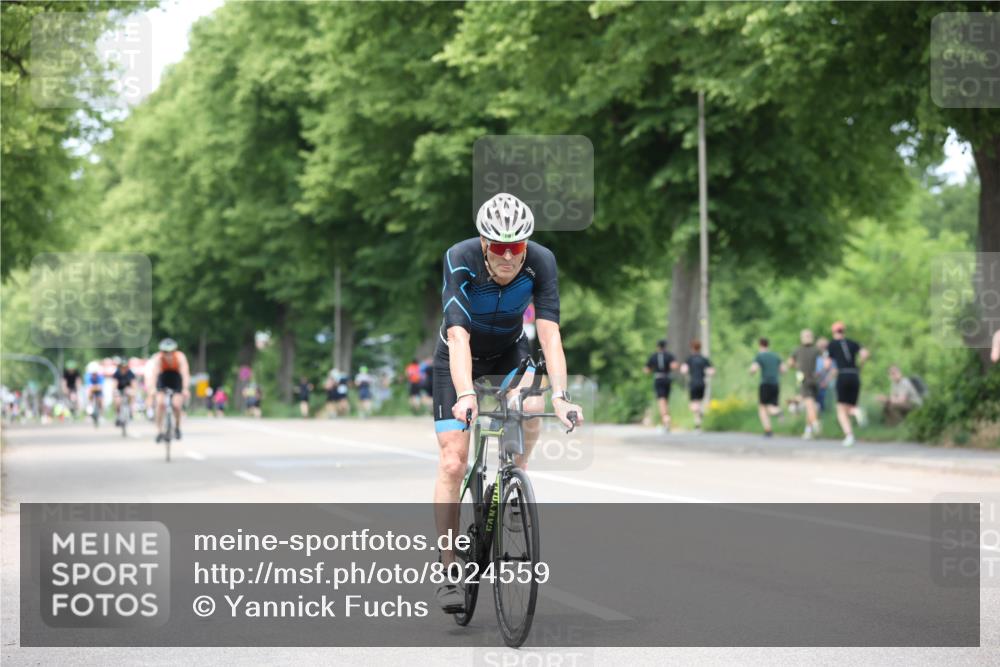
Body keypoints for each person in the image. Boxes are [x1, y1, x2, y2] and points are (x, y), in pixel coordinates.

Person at [432, 192, 584, 614]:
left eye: (516, 247)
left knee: (531, 405)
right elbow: (458, 336)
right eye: (499, 247)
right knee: (452, 462)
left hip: (508, 352)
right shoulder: (459, 257)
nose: (508, 257)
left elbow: (549, 334)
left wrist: (561, 396)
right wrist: (466, 394)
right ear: (484, 243)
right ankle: (448, 566)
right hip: (457, 356)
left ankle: (517, 473)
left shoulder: (542, 261)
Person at [826, 321, 870, 447]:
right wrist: (860, 366)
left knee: (841, 409)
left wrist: (827, 374)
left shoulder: (832, 344)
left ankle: (849, 435)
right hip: (854, 375)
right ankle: (857, 411)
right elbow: (865, 354)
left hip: (843, 375)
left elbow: (827, 364)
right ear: (843, 331)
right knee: (850, 407)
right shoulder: (853, 343)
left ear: (833, 331)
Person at [145, 338, 191, 442]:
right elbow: (154, 374)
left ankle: (177, 427)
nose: (168, 355)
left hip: (176, 379)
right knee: (160, 403)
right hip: (163, 378)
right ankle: (159, 431)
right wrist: (153, 388)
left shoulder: (180, 357)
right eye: (165, 352)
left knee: (176, 405)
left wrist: (185, 389)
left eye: (171, 352)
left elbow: (185, 374)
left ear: (175, 351)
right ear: (162, 351)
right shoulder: (158, 358)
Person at [786, 329, 822, 439]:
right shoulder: (817, 350)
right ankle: (808, 431)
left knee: (809, 404)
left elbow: (789, 363)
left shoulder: (798, 350)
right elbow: (824, 364)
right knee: (810, 405)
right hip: (815, 380)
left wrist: (797, 366)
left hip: (804, 380)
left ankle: (815, 423)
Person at [749, 337, 784, 438]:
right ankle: (777, 412)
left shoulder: (760, 356)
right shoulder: (775, 356)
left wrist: (751, 372)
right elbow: (783, 369)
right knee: (772, 405)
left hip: (765, 384)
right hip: (775, 384)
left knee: (763, 407)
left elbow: (753, 369)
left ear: (760, 345)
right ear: (768, 345)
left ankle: (768, 430)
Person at [644, 339, 678, 433]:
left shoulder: (653, 356)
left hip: (658, 379)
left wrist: (653, 368)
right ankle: (666, 421)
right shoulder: (669, 355)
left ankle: (666, 422)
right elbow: (674, 366)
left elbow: (646, 370)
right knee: (666, 401)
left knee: (661, 402)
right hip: (667, 378)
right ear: (665, 346)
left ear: (657, 346)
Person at [680, 339, 713, 434]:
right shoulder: (704, 359)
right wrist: (706, 372)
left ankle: (698, 423)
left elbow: (683, 370)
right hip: (702, 383)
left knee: (693, 405)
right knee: (699, 402)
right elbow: (711, 371)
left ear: (692, 348)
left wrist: (686, 371)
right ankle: (699, 419)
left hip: (693, 383)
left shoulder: (689, 359)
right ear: (700, 348)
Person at [112, 357, 136, 427]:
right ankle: (118, 415)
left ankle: (131, 411)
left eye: (125, 367)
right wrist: (114, 391)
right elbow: (115, 384)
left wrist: (132, 390)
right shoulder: (117, 373)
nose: (123, 368)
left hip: (128, 389)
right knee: (117, 401)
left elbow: (133, 384)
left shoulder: (130, 373)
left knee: (131, 394)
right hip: (119, 390)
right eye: (122, 367)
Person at [814, 337, 832, 414]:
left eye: (824, 346)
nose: (822, 348)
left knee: (823, 401)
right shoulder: (815, 356)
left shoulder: (829, 357)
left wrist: (826, 381)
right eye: (820, 346)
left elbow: (833, 370)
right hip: (815, 382)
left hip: (825, 383)